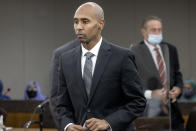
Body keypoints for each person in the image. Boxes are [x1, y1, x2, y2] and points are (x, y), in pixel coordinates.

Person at [50, 2, 146, 131]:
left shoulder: (122, 57)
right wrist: (68, 125)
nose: (79, 27)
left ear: (101, 24)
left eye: (85, 21)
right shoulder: (65, 59)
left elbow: (138, 102)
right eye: (76, 22)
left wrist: (108, 122)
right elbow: (60, 104)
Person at [131, 16, 184, 130]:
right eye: (153, 30)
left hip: (173, 110)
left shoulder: (170, 49)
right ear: (143, 32)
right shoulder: (133, 52)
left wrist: (178, 88)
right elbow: (130, 84)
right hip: (149, 112)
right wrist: (150, 94)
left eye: (159, 30)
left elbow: (177, 73)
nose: (157, 33)